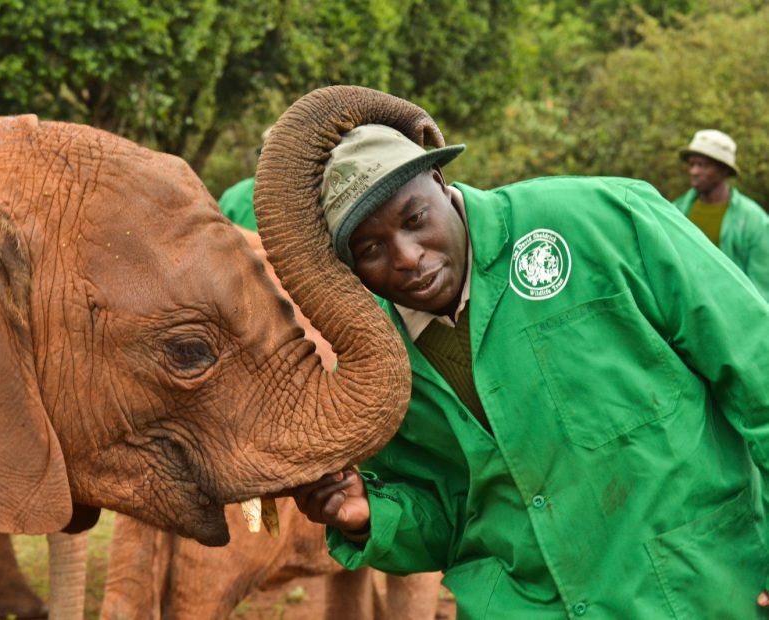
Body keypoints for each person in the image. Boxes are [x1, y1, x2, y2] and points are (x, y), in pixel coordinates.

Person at [281, 95, 769, 618]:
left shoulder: (599, 221)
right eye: (371, 249)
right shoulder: (378, 360)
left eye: (416, 218)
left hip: (696, 589)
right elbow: (450, 517)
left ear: (443, 187)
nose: (406, 257)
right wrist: (368, 517)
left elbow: (754, 360)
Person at [672, 129, 769, 301]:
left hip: (734, 314)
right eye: (692, 164)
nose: (694, 171)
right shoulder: (676, 210)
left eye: (703, 165)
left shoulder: (754, 221)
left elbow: (762, 284)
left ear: (724, 170)